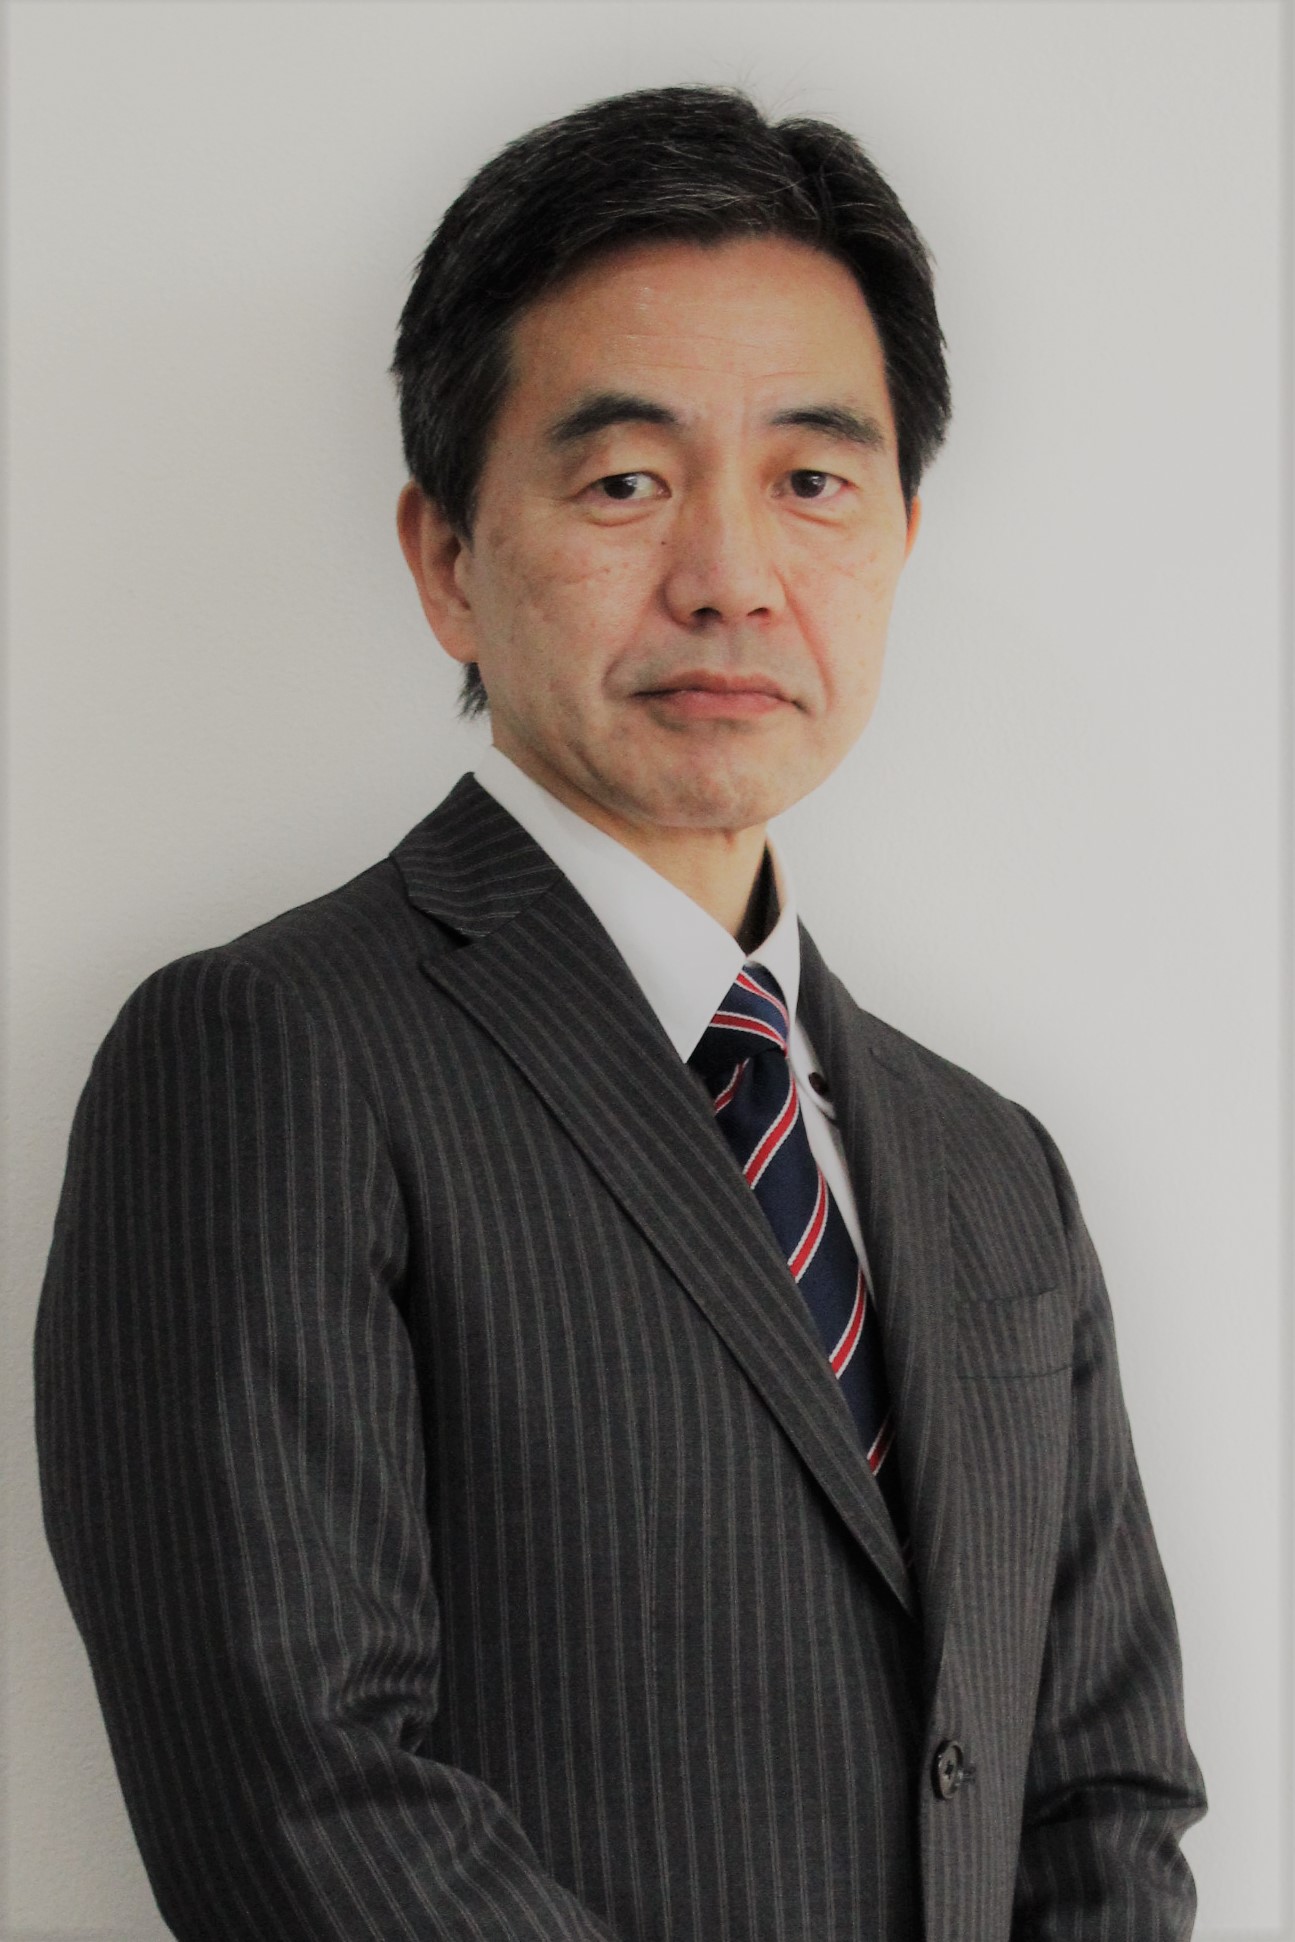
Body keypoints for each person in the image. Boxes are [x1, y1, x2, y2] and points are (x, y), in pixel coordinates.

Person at [34, 84, 1205, 1942]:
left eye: (813, 482)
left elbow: (1102, 1794)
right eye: (625, 482)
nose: (732, 577)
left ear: (901, 535)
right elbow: (301, 1787)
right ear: (447, 560)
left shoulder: (997, 1169)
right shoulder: (266, 1055)